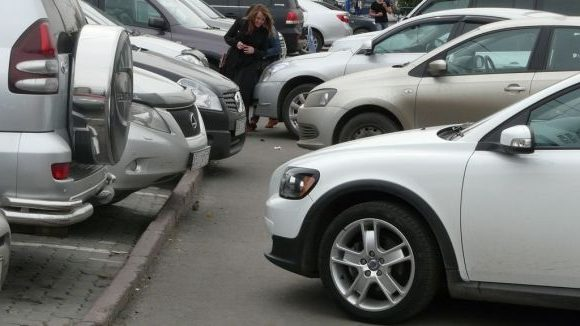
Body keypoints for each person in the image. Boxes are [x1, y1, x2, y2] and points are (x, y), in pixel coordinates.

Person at [222, 4, 274, 131]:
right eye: (258, 19)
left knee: (244, 93)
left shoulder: (264, 31)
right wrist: (237, 43)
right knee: (229, 91)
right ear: (253, 17)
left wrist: (254, 50)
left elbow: (264, 52)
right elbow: (227, 37)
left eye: (262, 20)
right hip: (234, 61)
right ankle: (227, 121)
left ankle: (243, 123)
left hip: (250, 64)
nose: (259, 22)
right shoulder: (242, 23)